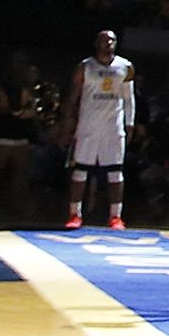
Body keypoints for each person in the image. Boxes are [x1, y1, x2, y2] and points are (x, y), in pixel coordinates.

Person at [58, 28, 138, 232]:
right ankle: (75, 213)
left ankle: (116, 216)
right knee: (80, 171)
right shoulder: (85, 67)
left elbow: (129, 98)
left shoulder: (125, 66)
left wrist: (130, 123)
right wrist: (67, 122)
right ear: (96, 43)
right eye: (104, 40)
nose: (108, 44)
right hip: (88, 125)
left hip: (113, 126)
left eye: (112, 40)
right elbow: (73, 97)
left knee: (115, 172)